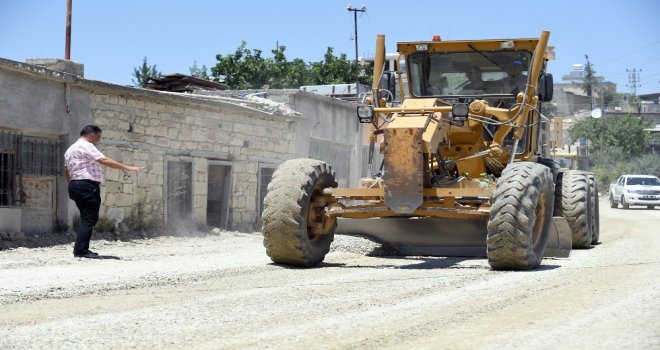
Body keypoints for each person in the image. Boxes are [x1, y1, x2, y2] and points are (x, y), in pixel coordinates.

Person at [64, 125, 144, 258]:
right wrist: (126, 167)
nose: (99, 140)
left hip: (75, 184)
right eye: (98, 137)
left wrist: (74, 184)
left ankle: (81, 249)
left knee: (87, 218)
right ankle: (81, 251)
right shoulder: (86, 145)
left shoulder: (70, 149)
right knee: (89, 219)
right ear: (91, 135)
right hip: (86, 185)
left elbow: (67, 170)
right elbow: (103, 159)